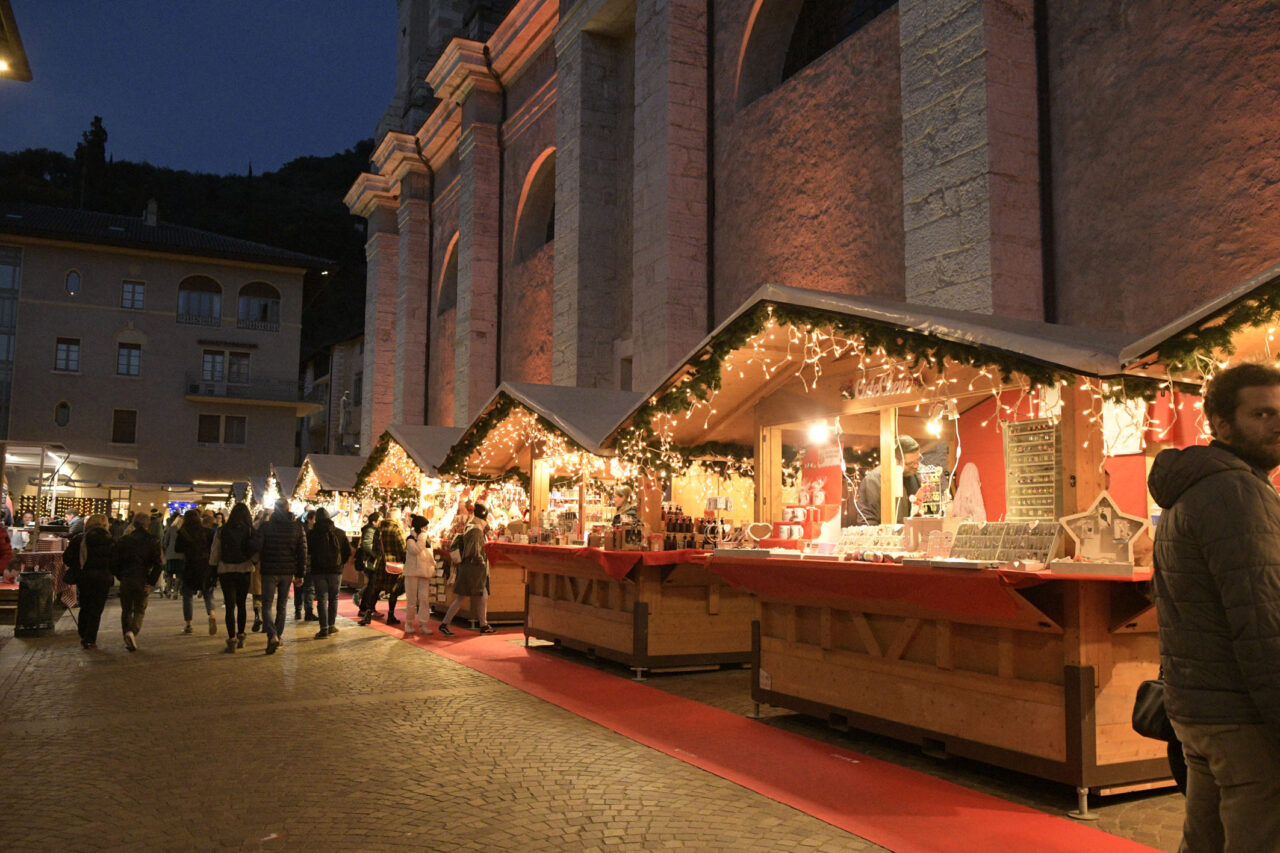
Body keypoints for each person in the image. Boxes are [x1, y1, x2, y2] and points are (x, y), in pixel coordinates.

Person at [1148, 362, 1280, 852]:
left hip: (1198, 707)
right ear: (1221, 424)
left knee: (1204, 838)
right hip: (1240, 714)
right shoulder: (1238, 491)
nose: (1276, 424)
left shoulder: (1194, 487)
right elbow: (1262, 623)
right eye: (1261, 414)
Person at [257, 499, 307, 654]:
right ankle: (278, 635)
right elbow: (302, 551)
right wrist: (300, 574)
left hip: (269, 570)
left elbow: (258, 546)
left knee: (266, 604)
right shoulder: (297, 527)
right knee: (282, 605)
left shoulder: (266, 526)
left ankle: (272, 635)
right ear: (288, 509)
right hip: (287, 571)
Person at [438, 502, 494, 636]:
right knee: (463, 597)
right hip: (473, 568)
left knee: (483, 595)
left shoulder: (471, 526)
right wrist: (481, 560)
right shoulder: (476, 530)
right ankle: (445, 623)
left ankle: (483, 624)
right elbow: (474, 551)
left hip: (471, 567)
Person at [109, 512, 163, 651]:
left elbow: (114, 561)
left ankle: (127, 633)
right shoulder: (152, 540)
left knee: (126, 609)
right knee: (140, 608)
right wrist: (150, 582)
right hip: (143, 578)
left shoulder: (124, 540)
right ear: (147, 524)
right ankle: (132, 632)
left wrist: (120, 575)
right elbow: (158, 564)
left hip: (127, 577)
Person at [211, 503, 261, 653]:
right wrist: (253, 561)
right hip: (244, 569)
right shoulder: (250, 531)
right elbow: (255, 551)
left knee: (230, 605)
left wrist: (213, 566)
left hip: (226, 570)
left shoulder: (222, 530)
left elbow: (215, 551)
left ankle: (231, 639)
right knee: (241, 604)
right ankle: (241, 636)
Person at [64, 514, 113, 648]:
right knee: (96, 609)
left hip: (84, 577)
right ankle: (90, 638)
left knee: (85, 605)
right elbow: (115, 561)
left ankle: (83, 631)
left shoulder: (79, 539)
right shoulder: (110, 540)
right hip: (103, 578)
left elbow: (67, 558)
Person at [852, 436, 922, 525]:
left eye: (918, 460)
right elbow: (867, 520)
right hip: (888, 537)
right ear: (895, 460)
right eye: (910, 463)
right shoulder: (873, 481)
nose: (916, 466)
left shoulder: (919, 474)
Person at [306, 507, 350, 639]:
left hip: (318, 571)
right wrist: (340, 563)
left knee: (322, 599)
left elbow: (308, 551)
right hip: (336, 571)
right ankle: (331, 625)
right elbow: (347, 552)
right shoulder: (340, 533)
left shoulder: (312, 534)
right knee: (334, 598)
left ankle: (323, 628)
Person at [177, 507, 216, 635]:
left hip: (189, 566)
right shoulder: (207, 532)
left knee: (187, 596)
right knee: (208, 593)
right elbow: (213, 548)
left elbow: (178, 549)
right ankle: (211, 615)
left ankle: (189, 625)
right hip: (206, 566)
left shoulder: (182, 532)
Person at [402, 514, 432, 635]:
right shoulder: (410, 539)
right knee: (412, 600)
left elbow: (429, 553)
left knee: (424, 599)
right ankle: (409, 623)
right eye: (425, 527)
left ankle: (423, 623)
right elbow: (416, 550)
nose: (426, 529)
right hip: (412, 573)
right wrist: (422, 538)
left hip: (424, 572)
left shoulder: (425, 538)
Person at [295, 510, 317, 622]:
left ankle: (303, 611)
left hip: (303, 562)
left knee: (306, 588)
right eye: (314, 519)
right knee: (306, 588)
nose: (315, 521)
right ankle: (300, 610)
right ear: (309, 519)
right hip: (305, 562)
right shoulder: (306, 531)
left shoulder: (302, 529)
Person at [161, 512, 184, 599]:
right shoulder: (184, 530)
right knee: (179, 575)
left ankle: (168, 590)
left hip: (170, 555)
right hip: (181, 556)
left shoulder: (171, 529)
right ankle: (175, 591)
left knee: (169, 574)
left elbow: (165, 542)